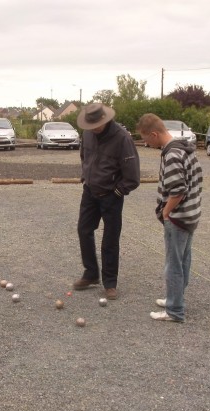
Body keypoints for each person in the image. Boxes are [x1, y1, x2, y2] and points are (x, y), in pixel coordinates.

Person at [136, 113, 203, 323]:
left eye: (147, 139)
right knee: (183, 260)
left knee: (173, 264)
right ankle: (176, 298)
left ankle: (175, 311)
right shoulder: (184, 149)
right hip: (191, 215)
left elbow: (178, 191)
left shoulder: (172, 155)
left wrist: (166, 212)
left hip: (178, 218)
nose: (147, 143)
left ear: (154, 134)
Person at [73, 103, 140, 300]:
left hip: (111, 196)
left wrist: (118, 192)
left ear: (105, 120)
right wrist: (86, 176)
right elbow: (84, 156)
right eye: (90, 126)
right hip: (90, 191)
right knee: (83, 230)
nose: (93, 129)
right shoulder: (87, 134)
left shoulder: (122, 138)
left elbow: (133, 175)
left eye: (96, 125)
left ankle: (110, 282)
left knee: (110, 239)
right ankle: (91, 274)